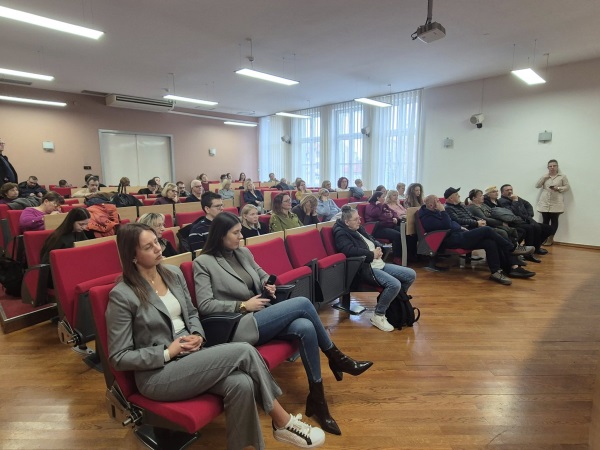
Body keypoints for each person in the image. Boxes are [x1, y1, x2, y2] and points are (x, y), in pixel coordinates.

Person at [108, 223, 326, 450]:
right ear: (132, 256)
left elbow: (192, 313)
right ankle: (283, 422)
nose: (157, 248)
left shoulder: (173, 274)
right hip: (158, 373)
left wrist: (197, 335)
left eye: (157, 241)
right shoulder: (122, 295)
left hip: (192, 356)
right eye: (148, 246)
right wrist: (167, 352)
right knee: (244, 350)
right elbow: (118, 356)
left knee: (242, 384)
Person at [193, 212, 373, 435]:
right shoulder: (203, 263)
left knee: (305, 327)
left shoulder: (243, 253)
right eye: (236, 233)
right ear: (220, 235)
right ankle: (337, 358)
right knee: (303, 303)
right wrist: (242, 305)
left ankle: (318, 400)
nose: (241, 237)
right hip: (237, 325)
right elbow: (205, 305)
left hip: (261, 314)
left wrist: (267, 285)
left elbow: (262, 275)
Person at [418, 194, 535, 285]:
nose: (441, 203)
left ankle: (496, 272)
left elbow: (452, 223)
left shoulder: (435, 211)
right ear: (431, 205)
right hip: (448, 240)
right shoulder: (427, 216)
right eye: (438, 202)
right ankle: (512, 248)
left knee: (489, 242)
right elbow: (446, 225)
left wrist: (460, 227)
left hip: (459, 234)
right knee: (486, 230)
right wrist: (443, 211)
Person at [333, 205, 417, 332]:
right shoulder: (341, 232)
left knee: (410, 274)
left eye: (359, 218)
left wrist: (379, 247)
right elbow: (348, 250)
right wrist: (372, 254)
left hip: (378, 264)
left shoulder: (357, 228)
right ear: (346, 222)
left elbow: (371, 239)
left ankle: (395, 303)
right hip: (364, 268)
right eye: (356, 219)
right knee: (394, 284)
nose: (360, 221)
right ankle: (378, 314)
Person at [40, 207, 92, 288]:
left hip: (73, 268)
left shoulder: (79, 232)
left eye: (86, 224)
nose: (84, 227)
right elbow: (47, 262)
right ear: (72, 222)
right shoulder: (58, 238)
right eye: (81, 224)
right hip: (56, 274)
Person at [499, 184, 552, 256]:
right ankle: (528, 251)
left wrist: (529, 215)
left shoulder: (515, 198)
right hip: (515, 222)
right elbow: (513, 211)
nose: (510, 191)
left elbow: (527, 204)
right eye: (507, 190)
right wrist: (515, 201)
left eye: (511, 189)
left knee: (548, 228)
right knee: (532, 227)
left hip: (526, 219)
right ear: (502, 192)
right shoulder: (502, 201)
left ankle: (536, 247)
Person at [535, 159, 569, 245]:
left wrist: (558, 188)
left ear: (557, 167)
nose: (552, 167)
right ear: (548, 167)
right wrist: (544, 178)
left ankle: (551, 238)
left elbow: (567, 187)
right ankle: (544, 237)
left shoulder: (562, 176)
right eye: (550, 166)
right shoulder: (545, 176)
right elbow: (537, 185)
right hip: (545, 201)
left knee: (554, 220)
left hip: (556, 201)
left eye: (554, 166)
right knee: (545, 220)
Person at [365, 191, 403, 265]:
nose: (384, 199)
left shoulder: (384, 205)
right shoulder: (370, 206)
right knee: (397, 235)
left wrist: (394, 217)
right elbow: (376, 214)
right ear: (377, 198)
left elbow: (393, 212)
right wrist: (379, 205)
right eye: (383, 197)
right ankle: (397, 258)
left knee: (403, 231)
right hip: (377, 229)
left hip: (388, 225)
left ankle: (406, 255)